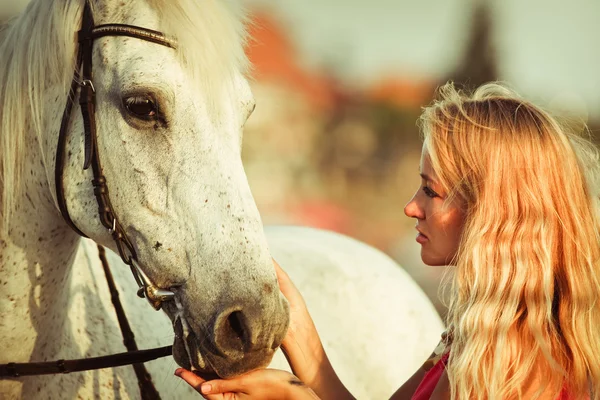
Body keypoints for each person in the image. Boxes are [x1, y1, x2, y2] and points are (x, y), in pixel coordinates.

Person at [173, 82, 600, 399]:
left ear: (492, 211)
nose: (411, 207)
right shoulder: (479, 334)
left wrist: (295, 396)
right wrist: (297, 331)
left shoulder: (525, 365)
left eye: (430, 191)